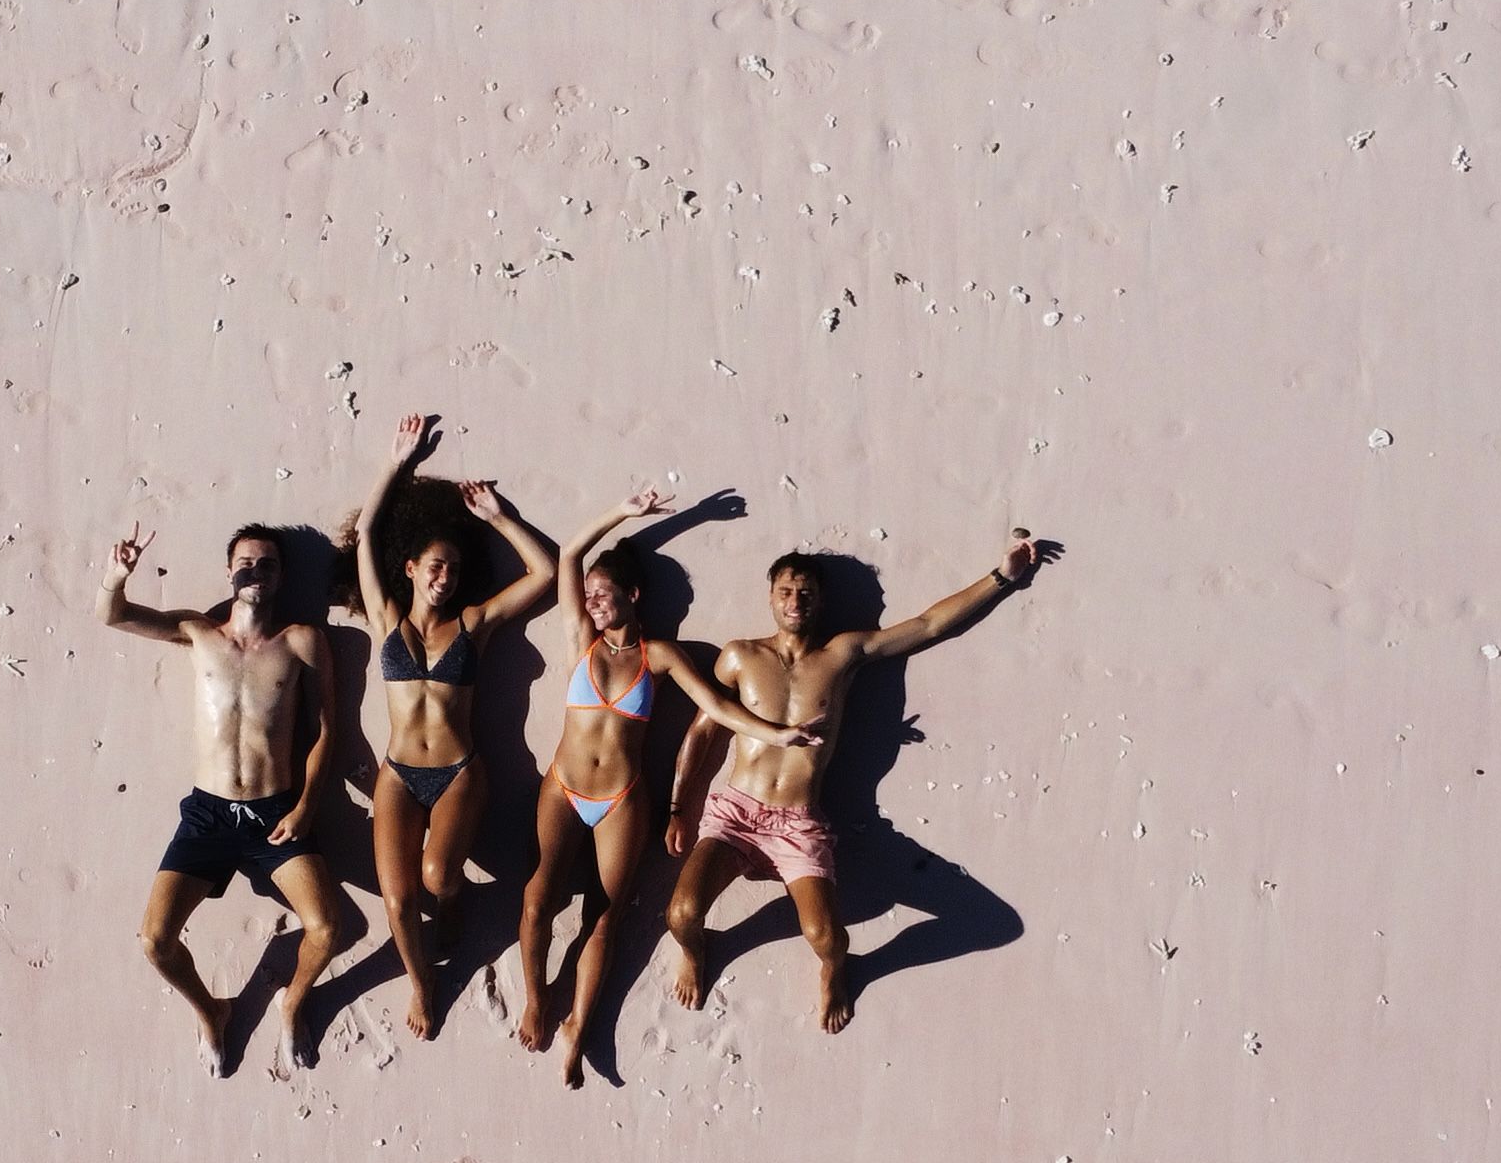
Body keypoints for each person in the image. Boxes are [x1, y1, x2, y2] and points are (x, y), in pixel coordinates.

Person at [666, 529, 1052, 1034]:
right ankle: (696, 954)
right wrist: (678, 807)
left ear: (820, 600)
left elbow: (929, 624)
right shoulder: (739, 656)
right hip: (736, 813)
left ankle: (834, 972)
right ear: (770, 596)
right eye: (785, 591)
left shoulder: (842, 655)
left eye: (805, 593)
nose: (795, 601)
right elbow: (703, 729)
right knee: (681, 914)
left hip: (798, 822)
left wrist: (1002, 577)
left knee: (826, 937)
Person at [517, 493, 813, 1086]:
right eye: (591, 595)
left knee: (603, 921)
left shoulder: (660, 657)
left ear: (633, 597)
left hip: (622, 799)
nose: (594, 602)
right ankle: (535, 996)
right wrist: (623, 513)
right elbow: (570, 554)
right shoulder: (582, 639)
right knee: (537, 898)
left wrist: (779, 732)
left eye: (605, 594)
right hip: (564, 787)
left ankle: (577, 1030)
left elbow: (718, 707)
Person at [103, 518, 342, 1070]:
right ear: (229, 572)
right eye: (246, 563)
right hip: (207, 816)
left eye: (267, 564)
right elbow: (112, 615)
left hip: (275, 812)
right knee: (154, 943)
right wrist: (116, 576)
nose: (255, 571)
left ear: (281, 577)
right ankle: (212, 1011)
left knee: (327, 929)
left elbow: (328, 730)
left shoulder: (303, 641)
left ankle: (293, 1004)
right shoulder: (197, 631)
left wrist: (307, 806)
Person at [351, 411, 555, 1037]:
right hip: (397, 773)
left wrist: (499, 519)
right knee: (396, 901)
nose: (445, 579)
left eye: (454, 571)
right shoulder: (385, 619)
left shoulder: (474, 624)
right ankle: (422, 982)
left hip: (460, 771)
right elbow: (365, 536)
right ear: (410, 567)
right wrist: (396, 463)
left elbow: (545, 574)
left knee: (439, 878)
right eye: (434, 567)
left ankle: (455, 901)